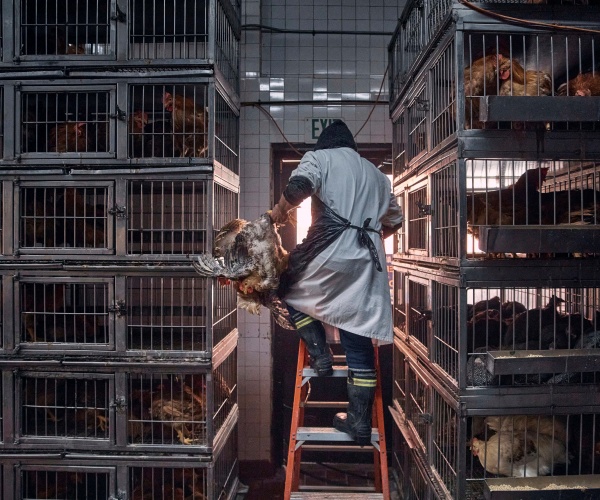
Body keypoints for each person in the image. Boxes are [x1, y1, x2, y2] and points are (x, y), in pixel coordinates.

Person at [269, 119, 403, 446]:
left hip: (326, 252)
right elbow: (395, 221)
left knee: (281, 282)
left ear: (325, 144)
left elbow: (298, 188)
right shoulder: (375, 174)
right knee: (357, 340)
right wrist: (366, 237)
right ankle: (358, 422)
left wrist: (276, 215)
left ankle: (320, 354)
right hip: (367, 267)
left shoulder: (320, 158)